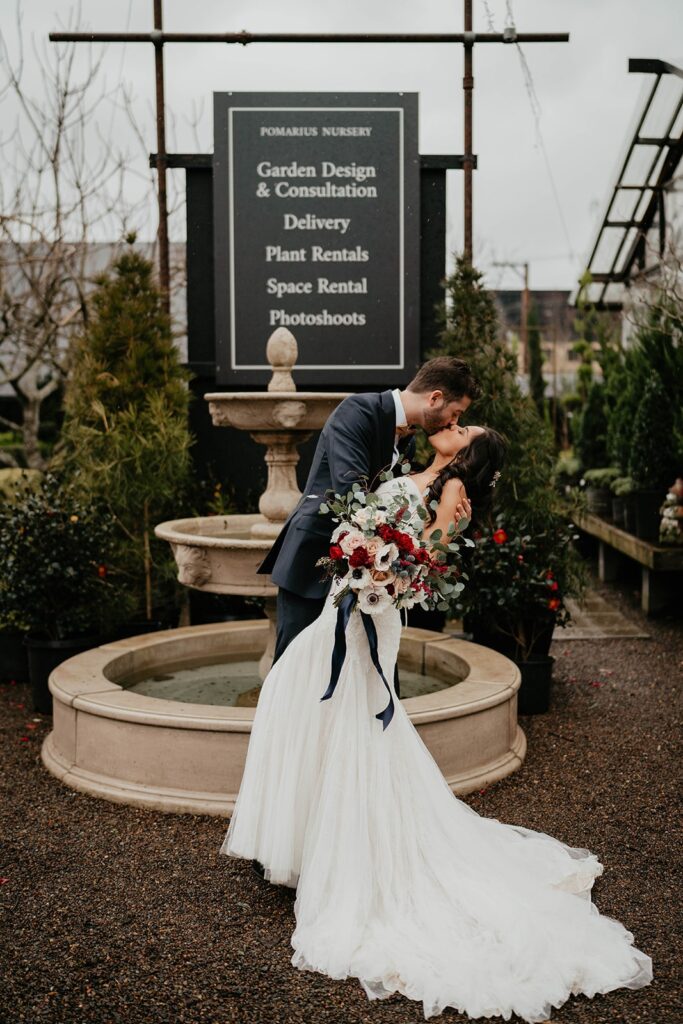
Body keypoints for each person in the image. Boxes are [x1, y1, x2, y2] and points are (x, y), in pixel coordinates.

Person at [219, 423, 653, 1023]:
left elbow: (426, 564)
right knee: (299, 697)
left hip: (372, 610)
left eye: (464, 429)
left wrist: (380, 574)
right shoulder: (419, 472)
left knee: (349, 723)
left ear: (468, 454)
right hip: (347, 602)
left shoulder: (453, 495)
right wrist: (357, 550)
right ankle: (308, 840)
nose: (453, 428)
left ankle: (354, 854)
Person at [257, 356, 481, 664]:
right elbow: (353, 497)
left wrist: (442, 529)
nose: (452, 423)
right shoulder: (357, 412)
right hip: (313, 561)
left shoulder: (409, 442)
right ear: (435, 398)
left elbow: (396, 507)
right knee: (296, 667)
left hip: (365, 576)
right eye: (455, 414)